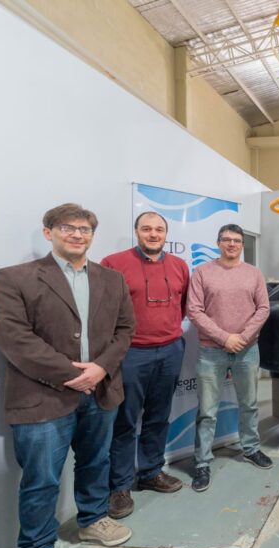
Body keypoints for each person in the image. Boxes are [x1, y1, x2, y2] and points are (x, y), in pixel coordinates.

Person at [0, 203, 135, 548]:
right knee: (42, 479)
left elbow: (124, 330)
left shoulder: (111, 279)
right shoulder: (15, 278)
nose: (77, 235)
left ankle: (93, 519)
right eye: (68, 228)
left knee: (95, 463)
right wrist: (74, 375)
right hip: (42, 396)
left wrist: (100, 369)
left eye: (84, 230)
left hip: (101, 391)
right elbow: (15, 339)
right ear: (48, 232)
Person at [101, 212, 190, 519]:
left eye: (159, 229)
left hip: (170, 350)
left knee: (158, 416)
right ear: (136, 231)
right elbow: (103, 311)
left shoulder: (179, 266)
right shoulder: (113, 264)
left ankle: (151, 472)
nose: (153, 234)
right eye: (147, 229)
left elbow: (182, 306)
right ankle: (120, 486)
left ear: (166, 234)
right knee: (124, 421)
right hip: (131, 354)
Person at [187, 224, 271, 492]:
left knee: (249, 404)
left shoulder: (254, 273)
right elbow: (194, 311)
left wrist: (242, 337)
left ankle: (251, 448)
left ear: (242, 245)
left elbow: (263, 308)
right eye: (226, 239)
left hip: (247, 349)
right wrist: (225, 338)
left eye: (236, 240)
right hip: (212, 351)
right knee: (207, 411)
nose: (232, 244)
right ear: (218, 242)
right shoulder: (202, 272)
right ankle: (201, 463)